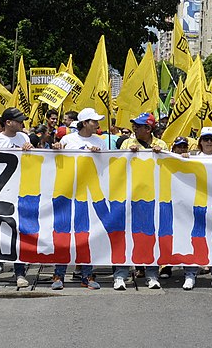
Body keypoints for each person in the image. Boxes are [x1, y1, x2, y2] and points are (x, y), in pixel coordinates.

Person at [50, 107, 107, 291]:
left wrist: (100, 156)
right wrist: (57, 148)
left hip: (88, 195)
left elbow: (107, 167)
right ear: (84, 123)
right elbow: (57, 162)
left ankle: (87, 275)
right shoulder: (68, 140)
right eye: (94, 121)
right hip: (67, 193)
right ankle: (59, 274)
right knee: (63, 233)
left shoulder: (100, 141)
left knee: (85, 234)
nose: (97, 124)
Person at [0, 107, 33, 289]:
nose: (22, 124)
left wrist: (29, 151)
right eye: (19, 121)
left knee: (18, 233)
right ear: (9, 123)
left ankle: (19, 272)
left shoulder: (24, 138)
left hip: (19, 192)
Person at [115, 112, 165, 290]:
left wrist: (161, 155)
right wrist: (128, 154)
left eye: (139, 125)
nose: (134, 128)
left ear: (148, 128)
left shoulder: (161, 144)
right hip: (129, 197)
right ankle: (120, 275)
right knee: (125, 235)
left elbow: (166, 168)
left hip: (152, 198)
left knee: (149, 235)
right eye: (134, 124)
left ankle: (152, 275)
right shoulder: (128, 143)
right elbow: (117, 165)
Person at [182, 127, 212, 290]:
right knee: (196, 238)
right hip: (197, 205)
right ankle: (190, 274)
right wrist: (181, 158)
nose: (209, 142)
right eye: (205, 139)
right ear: (200, 141)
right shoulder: (193, 157)